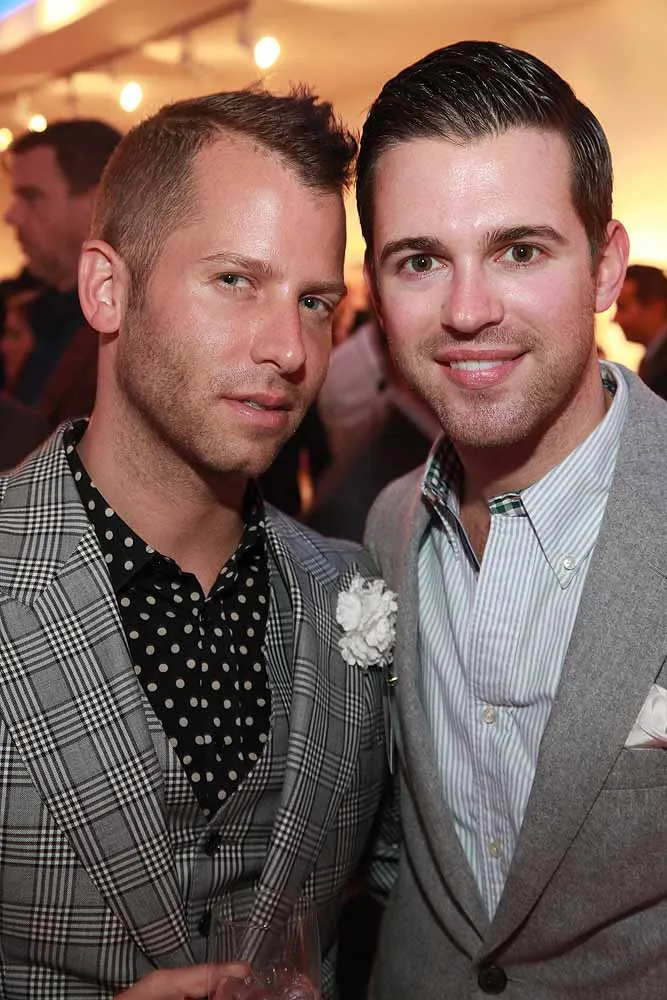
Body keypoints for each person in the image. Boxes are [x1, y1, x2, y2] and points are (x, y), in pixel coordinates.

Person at [0, 86, 389, 999]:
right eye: (235, 281)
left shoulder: (350, 589)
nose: (289, 348)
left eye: (314, 301)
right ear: (108, 289)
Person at [357, 39, 667, 999]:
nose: (466, 310)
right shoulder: (386, 529)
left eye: (519, 251)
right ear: (374, 284)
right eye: (420, 260)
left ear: (604, 267)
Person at [3, 118, 121, 420]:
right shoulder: (27, 311)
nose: (11, 216)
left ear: (97, 203)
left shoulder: (129, 327)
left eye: (32, 197)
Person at [613, 263, 667, 397]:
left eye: (622, 306)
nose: (615, 319)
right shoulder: (653, 361)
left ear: (656, 307)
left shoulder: (662, 367)